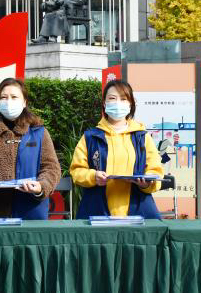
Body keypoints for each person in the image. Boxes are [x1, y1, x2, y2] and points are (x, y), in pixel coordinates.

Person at [0, 77, 61, 219]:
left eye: (14, 97)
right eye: (4, 97)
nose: (8, 102)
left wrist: (41, 186)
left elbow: (51, 168)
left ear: (24, 102)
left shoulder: (39, 133)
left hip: (29, 211)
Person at [70, 80, 163, 219]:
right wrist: (93, 176)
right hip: (97, 213)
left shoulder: (142, 137)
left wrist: (146, 183)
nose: (118, 103)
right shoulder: (90, 137)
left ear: (130, 104)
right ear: (104, 103)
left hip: (137, 213)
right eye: (112, 98)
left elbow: (156, 171)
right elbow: (76, 170)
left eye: (123, 99)